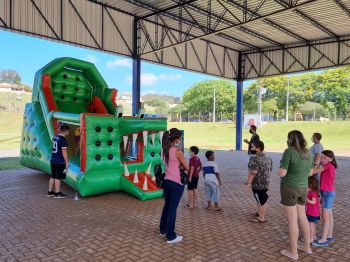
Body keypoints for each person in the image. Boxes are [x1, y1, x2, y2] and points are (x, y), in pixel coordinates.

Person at [278, 130, 313, 260]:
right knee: (302, 216)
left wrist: (281, 167)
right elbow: (310, 173)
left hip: (290, 188)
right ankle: (307, 247)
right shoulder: (308, 152)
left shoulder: (289, 152)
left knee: (292, 220)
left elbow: (282, 173)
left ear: (290, 139)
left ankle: (293, 252)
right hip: (303, 188)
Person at [159, 128, 189, 244]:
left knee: (167, 206)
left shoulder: (163, 150)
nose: (180, 140)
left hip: (167, 181)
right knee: (172, 209)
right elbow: (186, 167)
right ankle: (171, 236)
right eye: (180, 138)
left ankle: (163, 229)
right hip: (177, 182)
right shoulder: (177, 152)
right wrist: (180, 167)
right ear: (176, 139)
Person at [312, 150, 337, 247]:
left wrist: (316, 162)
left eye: (324, 158)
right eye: (321, 157)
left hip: (328, 193)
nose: (322, 159)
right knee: (329, 215)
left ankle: (323, 239)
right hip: (326, 193)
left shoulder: (328, 166)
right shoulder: (328, 166)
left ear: (330, 159)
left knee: (325, 217)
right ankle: (329, 235)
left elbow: (313, 171)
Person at [246, 140, 272, 223]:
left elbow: (252, 172)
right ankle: (259, 212)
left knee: (261, 200)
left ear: (258, 148)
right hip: (266, 182)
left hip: (258, 184)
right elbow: (270, 169)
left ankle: (261, 217)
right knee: (260, 198)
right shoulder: (268, 158)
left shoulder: (255, 159)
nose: (251, 148)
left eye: (253, 147)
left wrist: (249, 183)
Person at [47, 125, 70, 199]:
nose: (69, 132)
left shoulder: (55, 137)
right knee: (58, 177)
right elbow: (64, 152)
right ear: (66, 131)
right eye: (68, 131)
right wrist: (66, 162)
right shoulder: (63, 140)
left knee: (53, 176)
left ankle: (50, 192)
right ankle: (57, 193)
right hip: (59, 161)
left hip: (53, 160)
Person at [306, 176, 320, 243]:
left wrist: (307, 200)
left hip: (312, 212)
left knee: (310, 224)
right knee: (313, 224)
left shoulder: (312, 192)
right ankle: (314, 236)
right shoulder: (313, 191)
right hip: (314, 212)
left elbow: (313, 201)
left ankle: (311, 238)